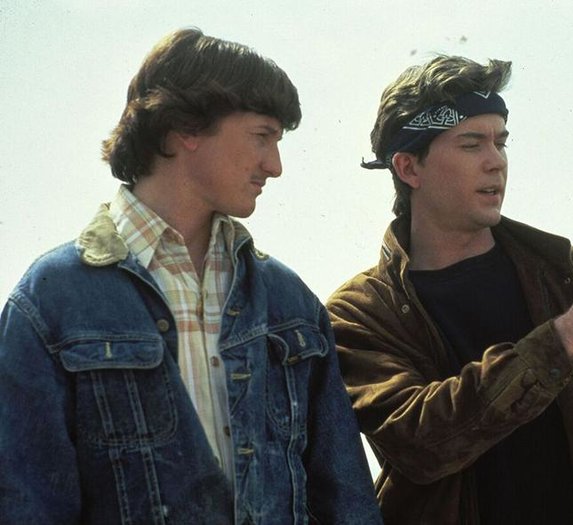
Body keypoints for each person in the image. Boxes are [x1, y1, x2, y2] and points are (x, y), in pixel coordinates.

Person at [0, 28, 381, 525]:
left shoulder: (289, 302)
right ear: (186, 128)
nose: (275, 166)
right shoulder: (52, 301)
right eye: (262, 136)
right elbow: (27, 503)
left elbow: (346, 501)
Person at [327, 55, 573, 524]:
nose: (495, 162)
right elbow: (421, 447)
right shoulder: (360, 313)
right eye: (471, 144)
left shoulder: (565, 273)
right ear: (408, 167)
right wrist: (565, 338)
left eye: (500, 142)